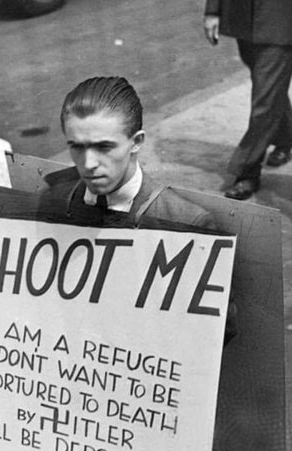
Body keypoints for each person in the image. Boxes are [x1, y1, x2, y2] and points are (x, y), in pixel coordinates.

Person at [41, 76, 237, 344]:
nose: (88, 164)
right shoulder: (53, 199)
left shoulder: (185, 222)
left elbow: (214, 337)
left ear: (136, 142)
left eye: (104, 147)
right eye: (76, 147)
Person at [203, 0, 292, 201]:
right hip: (241, 17)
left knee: (265, 99)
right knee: (270, 89)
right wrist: (213, 11)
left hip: (280, 19)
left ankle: (247, 170)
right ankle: (286, 138)